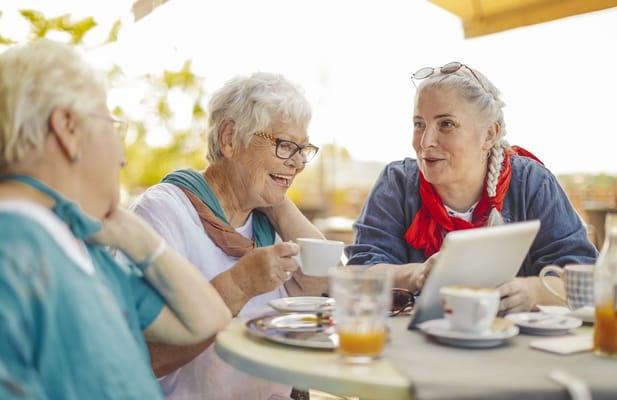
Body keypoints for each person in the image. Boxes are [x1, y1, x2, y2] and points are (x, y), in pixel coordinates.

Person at [0, 39, 231, 400]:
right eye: (111, 124)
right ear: (68, 128)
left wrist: (136, 236)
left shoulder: (81, 250)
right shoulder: (13, 250)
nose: (123, 156)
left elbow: (208, 320)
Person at [130, 72, 329, 400]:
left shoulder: (265, 220)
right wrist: (241, 286)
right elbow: (141, 355)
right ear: (230, 139)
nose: (298, 164)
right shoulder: (164, 213)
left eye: (303, 149)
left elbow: (322, 279)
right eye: (284, 145)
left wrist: (278, 204)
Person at [345, 61, 598, 315]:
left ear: (489, 134)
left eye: (446, 124)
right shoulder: (396, 182)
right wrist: (418, 273)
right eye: (419, 123)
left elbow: (585, 279)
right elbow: (359, 273)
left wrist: (531, 291)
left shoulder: (531, 183)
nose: (425, 141)